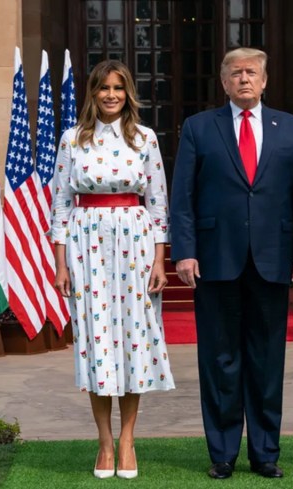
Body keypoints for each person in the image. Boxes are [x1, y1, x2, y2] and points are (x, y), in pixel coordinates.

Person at [169, 47, 293, 479]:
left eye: (252, 72)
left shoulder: (292, 129)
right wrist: (185, 250)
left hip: (273, 259)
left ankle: (266, 452)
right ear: (224, 81)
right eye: (236, 73)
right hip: (215, 259)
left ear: (265, 80)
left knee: (267, 359)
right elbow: (183, 197)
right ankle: (222, 453)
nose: (244, 79)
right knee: (219, 359)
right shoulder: (199, 128)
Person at [51, 60, 175, 480]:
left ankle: (127, 439)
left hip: (136, 242)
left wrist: (160, 259)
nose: (110, 95)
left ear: (128, 93)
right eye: (103, 88)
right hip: (87, 245)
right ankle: (104, 442)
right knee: (96, 340)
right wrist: (60, 262)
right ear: (92, 92)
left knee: (133, 340)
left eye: (118, 88)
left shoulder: (145, 139)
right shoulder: (73, 140)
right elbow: (61, 204)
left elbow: (158, 202)